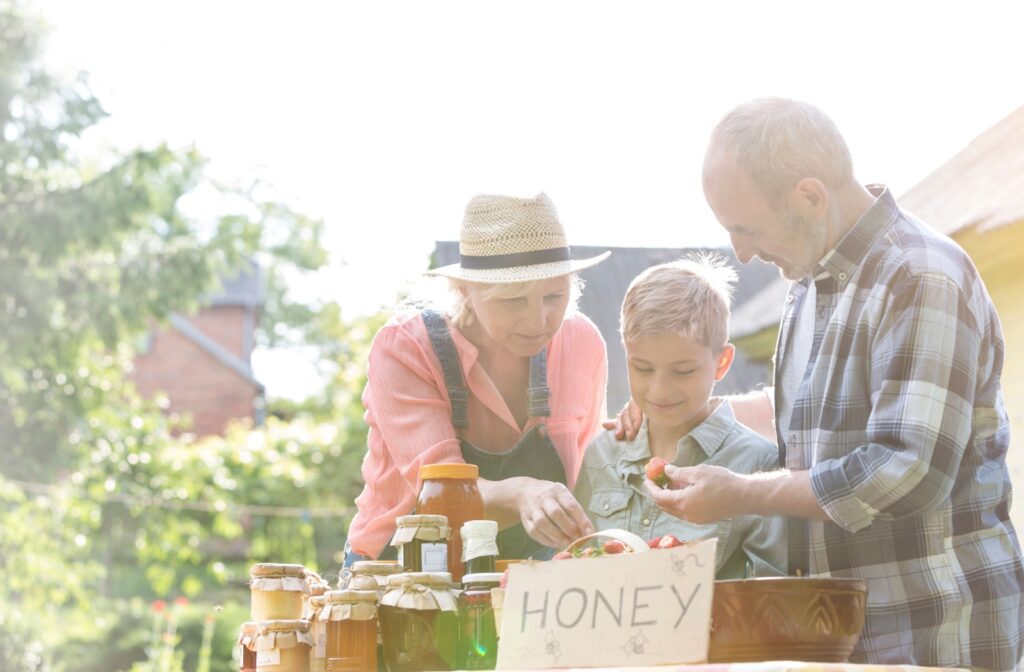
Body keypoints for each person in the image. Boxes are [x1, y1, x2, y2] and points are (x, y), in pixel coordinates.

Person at [618, 98, 1024, 670]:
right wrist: (679, 405)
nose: (741, 251)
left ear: (810, 196)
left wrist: (740, 491)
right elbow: (811, 412)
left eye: (747, 227)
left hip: (935, 628)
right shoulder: (810, 281)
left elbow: (906, 471)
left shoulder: (920, 275)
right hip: (849, 635)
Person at [346, 192, 610, 565]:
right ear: (465, 290)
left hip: (530, 572)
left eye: (554, 295)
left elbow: (591, 474)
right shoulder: (404, 349)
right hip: (403, 571)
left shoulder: (582, 344)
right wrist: (522, 493)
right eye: (514, 300)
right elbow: (439, 498)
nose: (538, 321)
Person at [574, 256, 785, 579]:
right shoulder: (600, 456)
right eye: (642, 368)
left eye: (683, 371)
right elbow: (574, 569)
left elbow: (769, 595)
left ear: (722, 362)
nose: (660, 390)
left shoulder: (759, 464)